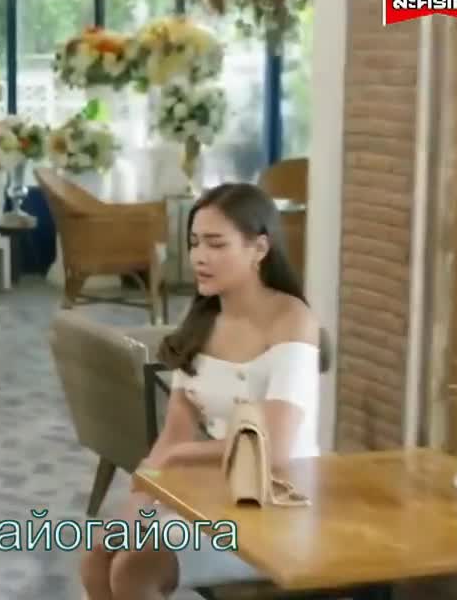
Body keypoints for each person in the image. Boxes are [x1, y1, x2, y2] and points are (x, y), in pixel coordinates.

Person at [78, 182, 328, 600]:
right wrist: (139, 501)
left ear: (259, 248)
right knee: (97, 557)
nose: (199, 257)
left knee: (134, 569)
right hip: (210, 496)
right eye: (195, 243)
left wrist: (180, 457)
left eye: (216, 244)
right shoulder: (201, 323)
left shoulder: (293, 321)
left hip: (276, 506)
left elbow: (276, 446)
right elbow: (172, 436)